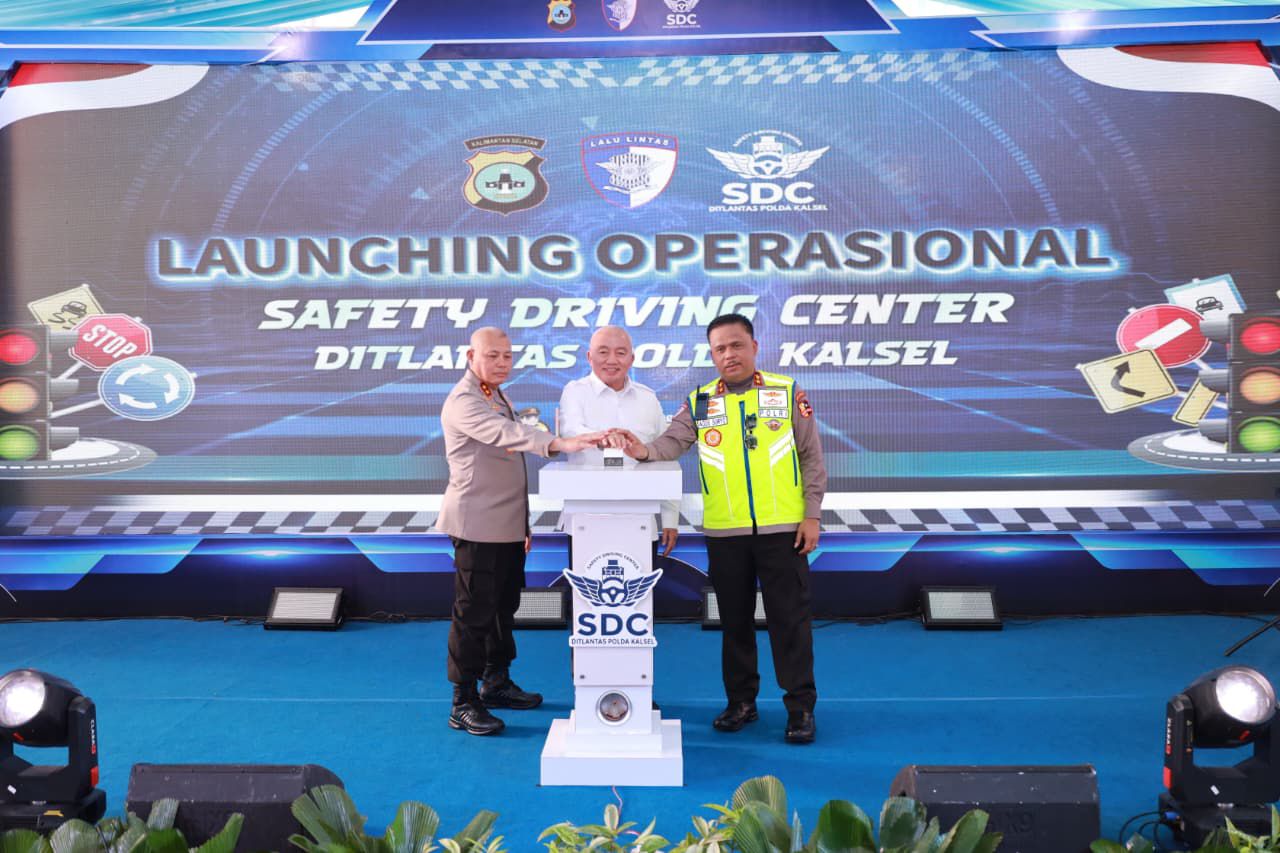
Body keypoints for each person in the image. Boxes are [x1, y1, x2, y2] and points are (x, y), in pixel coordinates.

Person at [606, 313, 826, 744]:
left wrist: (812, 514)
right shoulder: (701, 401)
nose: (729, 354)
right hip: (725, 534)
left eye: (736, 345)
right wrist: (642, 450)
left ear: (754, 347)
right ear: (712, 355)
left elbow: (811, 457)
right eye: (720, 349)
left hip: (784, 531)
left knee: (790, 623)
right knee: (734, 623)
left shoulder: (786, 391)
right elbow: (671, 443)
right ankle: (741, 702)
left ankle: (800, 708)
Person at [436, 326, 604, 736]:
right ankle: (463, 701)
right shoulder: (464, 400)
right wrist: (561, 443)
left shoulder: (496, 395)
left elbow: (507, 466)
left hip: (507, 525)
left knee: (503, 608)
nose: (501, 362)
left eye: (507, 355)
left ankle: (496, 682)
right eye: (492, 355)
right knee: (473, 613)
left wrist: (522, 524)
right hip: (477, 524)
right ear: (470, 357)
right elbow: (506, 435)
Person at [558, 325, 679, 556]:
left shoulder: (648, 398)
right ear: (589, 357)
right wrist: (602, 438)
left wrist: (670, 517)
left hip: (641, 519)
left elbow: (664, 454)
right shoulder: (574, 392)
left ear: (632, 359)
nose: (612, 360)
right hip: (585, 520)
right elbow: (571, 431)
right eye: (603, 352)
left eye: (621, 353)